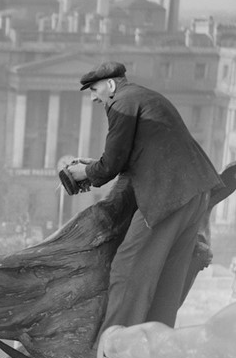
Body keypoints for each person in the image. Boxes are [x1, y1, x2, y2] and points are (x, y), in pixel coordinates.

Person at [67, 61, 223, 335]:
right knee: (169, 276)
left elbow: (112, 163)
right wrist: (96, 165)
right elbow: (136, 154)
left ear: (111, 85)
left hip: (167, 196)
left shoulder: (121, 104)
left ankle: (115, 347)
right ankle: (155, 342)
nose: (93, 97)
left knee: (128, 267)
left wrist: (83, 172)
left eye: (94, 89)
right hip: (196, 191)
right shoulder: (146, 97)